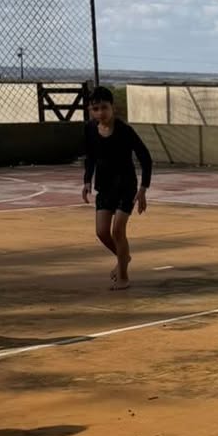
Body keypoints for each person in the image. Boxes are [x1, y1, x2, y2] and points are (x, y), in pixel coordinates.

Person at [81, 86, 152, 291]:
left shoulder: (124, 131)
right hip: (104, 186)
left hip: (125, 186)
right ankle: (124, 257)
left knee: (118, 230)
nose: (100, 113)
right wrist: (87, 181)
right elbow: (91, 157)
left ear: (113, 107)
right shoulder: (90, 129)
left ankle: (123, 277)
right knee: (102, 232)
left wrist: (143, 189)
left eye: (104, 107)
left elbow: (145, 158)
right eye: (95, 109)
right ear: (90, 110)